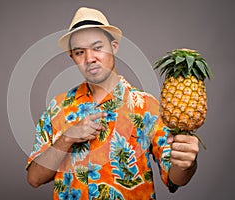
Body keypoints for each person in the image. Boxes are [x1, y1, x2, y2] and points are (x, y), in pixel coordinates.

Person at [26, 7, 199, 200]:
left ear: (114, 47)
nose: (90, 58)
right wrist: (66, 139)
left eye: (97, 47)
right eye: (79, 52)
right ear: (72, 57)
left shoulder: (146, 106)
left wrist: (187, 163)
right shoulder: (57, 107)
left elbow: (175, 178)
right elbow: (34, 178)